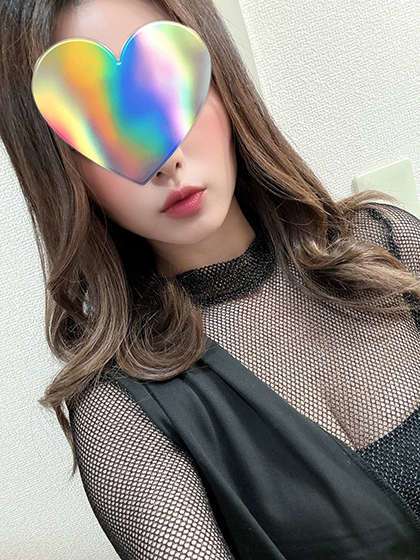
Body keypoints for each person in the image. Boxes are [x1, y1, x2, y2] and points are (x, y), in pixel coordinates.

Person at [0, 0, 419, 558]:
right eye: (103, 123)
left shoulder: (390, 245)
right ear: (56, 166)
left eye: (168, 88)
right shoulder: (122, 413)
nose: (165, 159)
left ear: (221, 79)